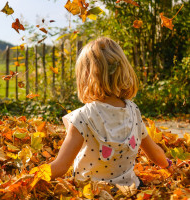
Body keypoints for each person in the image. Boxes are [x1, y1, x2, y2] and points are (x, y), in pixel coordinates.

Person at [50, 37, 172, 189]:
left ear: (86, 76)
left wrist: (31, 178)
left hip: (91, 192)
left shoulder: (83, 117)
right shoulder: (133, 111)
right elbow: (154, 153)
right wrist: (169, 165)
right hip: (129, 188)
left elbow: (61, 166)